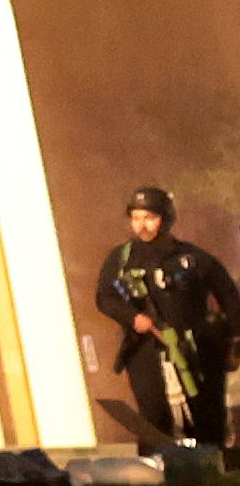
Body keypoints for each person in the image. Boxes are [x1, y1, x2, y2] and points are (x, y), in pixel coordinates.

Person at [93, 189, 234, 450]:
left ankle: (213, 468)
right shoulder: (121, 259)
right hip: (145, 348)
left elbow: (228, 294)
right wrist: (133, 318)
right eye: (135, 218)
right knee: (153, 414)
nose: (141, 225)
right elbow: (105, 296)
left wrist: (232, 340)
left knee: (205, 412)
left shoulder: (191, 258)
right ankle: (158, 473)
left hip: (193, 347)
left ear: (165, 218)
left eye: (149, 217)